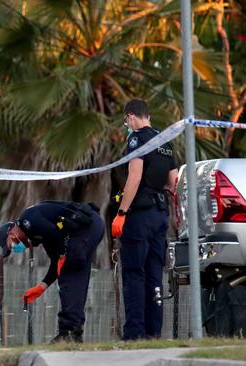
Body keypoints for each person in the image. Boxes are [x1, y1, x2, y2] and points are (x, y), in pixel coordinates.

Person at [111, 99, 177, 340]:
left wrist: (121, 213)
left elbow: (134, 178)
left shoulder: (136, 139)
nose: (127, 124)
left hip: (139, 216)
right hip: (160, 216)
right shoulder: (165, 141)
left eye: (126, 120)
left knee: (133, 274)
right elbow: (173, 183)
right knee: (154, 275)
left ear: (130, 116)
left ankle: (134, 334)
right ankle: (153, 333)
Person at [0, 200, 104, 343]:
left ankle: (68, 332)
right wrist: (42, 286)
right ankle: (74, 332)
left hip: (88, 226)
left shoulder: (29, 219)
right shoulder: (38, 234)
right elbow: (55, 261)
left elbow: (56, 237)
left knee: (68, 271)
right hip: (89, 228)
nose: (15, 249)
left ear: (12, 232)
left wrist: (61, 257)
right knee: (76, 276)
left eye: (10, 245)